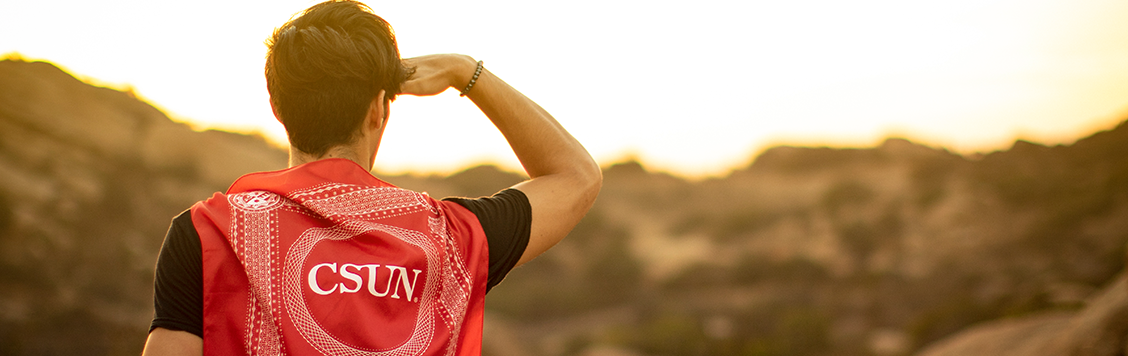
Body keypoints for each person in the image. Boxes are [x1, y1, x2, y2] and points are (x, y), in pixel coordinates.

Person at [140, 1, 601, 355]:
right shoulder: (449, 237)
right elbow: (576, 176)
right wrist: (466, 72)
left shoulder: (207, 234)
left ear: (277, 107)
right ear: (379, 109)